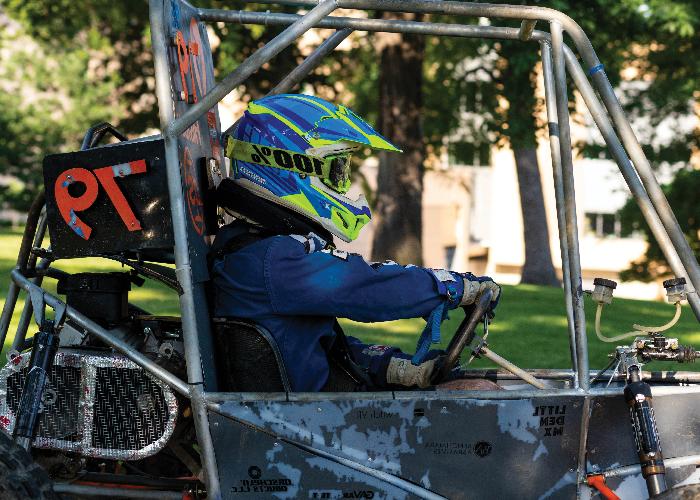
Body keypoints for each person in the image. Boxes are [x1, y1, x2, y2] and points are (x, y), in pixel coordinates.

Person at [211, 94, 501, 392]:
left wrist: (393, 367)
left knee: (476, 388)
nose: (345, 185)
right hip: (305, 426)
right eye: (337, 171)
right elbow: (368, 288)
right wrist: (448, 286)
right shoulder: (271, 259)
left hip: (313, 412)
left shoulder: (260, 249)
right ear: (289, 166)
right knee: (483, 394)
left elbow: (319, 347)